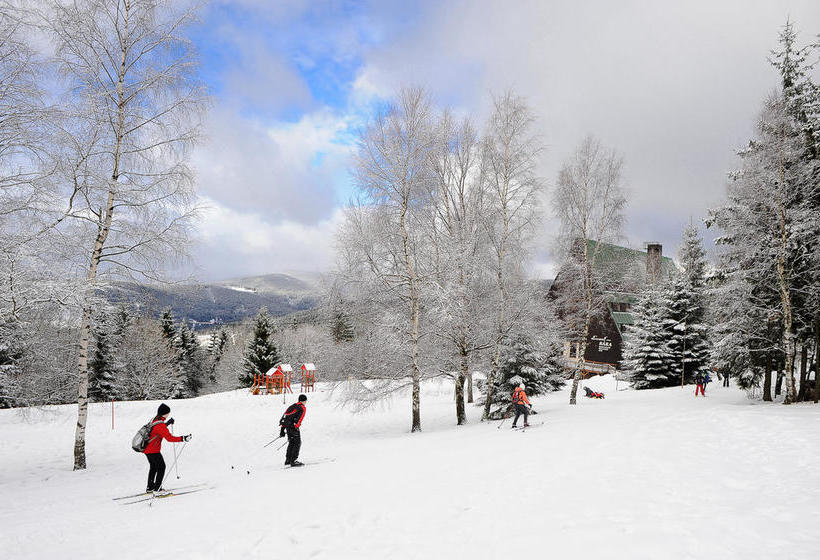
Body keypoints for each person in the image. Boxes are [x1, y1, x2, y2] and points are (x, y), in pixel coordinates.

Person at [143, 403, 191, 493]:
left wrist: (168, 423)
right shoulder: (160, 424)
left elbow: (159, 429)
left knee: (153, 467)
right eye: (168, 413)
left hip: (147, 449)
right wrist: (183, 438)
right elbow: (169, 438)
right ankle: (157, 489)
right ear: (165, 413)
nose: (168, 414)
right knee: (161, 467)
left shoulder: (155, 419)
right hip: (153, 450)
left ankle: (150, 487)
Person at [280, 394, 307, 467]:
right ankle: (293, 461)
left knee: (291, 442)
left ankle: (288, 460)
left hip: (287, 427)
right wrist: (296, 427)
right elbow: (299, 419)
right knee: (297, 442)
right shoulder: (302, 408)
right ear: (304, 401)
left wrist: (282, 429)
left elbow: (284, 417)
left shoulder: (292, 406)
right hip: (293, 427)